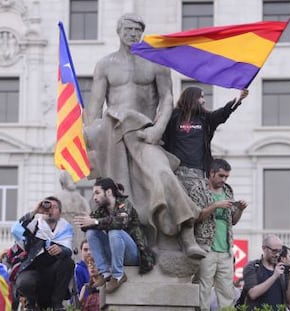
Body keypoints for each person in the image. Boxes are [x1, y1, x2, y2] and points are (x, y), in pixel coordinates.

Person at [83, 13, 205, 259]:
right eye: (128, 29)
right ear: (119, 31)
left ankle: (186, 232)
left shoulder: (155, 62)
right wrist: (87, 136)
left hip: (144, 132)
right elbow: (95, 105)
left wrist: (158, 128)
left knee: (162, 173)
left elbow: (168, 99)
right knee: (117, 191)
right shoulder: (105, 64)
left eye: (137, 30)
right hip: (113, 134)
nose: (132, 34)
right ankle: (130, 243)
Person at [74, 177, 154, 294]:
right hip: (114, 252)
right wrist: (86, 222)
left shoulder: (124, 204)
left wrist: (95, 222)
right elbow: (86, 226)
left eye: (97, 193)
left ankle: (118, 276)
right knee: (91, 233)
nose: (94, 197)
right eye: (93, 194)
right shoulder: (101, 210)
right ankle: (105, 273)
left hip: (133, 254)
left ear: (109, 192)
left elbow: (120, 222)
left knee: (114, 231)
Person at [163, 86, 249, 193]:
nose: (204, 101)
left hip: (198, 171)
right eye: (201, 97)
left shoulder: (205, 118)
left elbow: (222, 113)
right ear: (192, 97)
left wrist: (238, 99)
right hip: (176, 170)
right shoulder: (173, 116)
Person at [189, 158, 248, 311]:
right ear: (212, 173)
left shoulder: (227, 190)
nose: (224, 179)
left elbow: (233, 221)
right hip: (206, 248)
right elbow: (196, 216)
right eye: (221, 176)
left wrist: (240, 209)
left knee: (227, 293)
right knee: (204, 291)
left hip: (226, 250)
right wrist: (215, 205)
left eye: (226, 177)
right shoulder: (198, 189)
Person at [11, 196, 74, 311]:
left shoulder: (65, 228)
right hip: (33, 270)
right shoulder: (35, 225)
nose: (50, 210)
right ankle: (31, 303)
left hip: (52, 272)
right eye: (48, 206)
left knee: (68, 262)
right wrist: (35, 211)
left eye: (54, 207)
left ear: (60, 213)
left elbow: (69, 250)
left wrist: (61, 250)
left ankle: (57, 304)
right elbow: (16, 230)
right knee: (25, 282)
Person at [239, 234, 290, 311]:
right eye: (274, 251)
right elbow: (253, 294)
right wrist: (274, 276)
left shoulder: (282, 268)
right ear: (264, 248)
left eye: (279, 251)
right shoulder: (253, 266)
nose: (277, 254)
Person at [56, 171, 91, 253]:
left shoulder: (80, 198)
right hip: (63, 228)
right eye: (71, 178)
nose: (74, 181)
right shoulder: (56, 197)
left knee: (78, 249)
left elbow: (88, 213)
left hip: (78, 229)